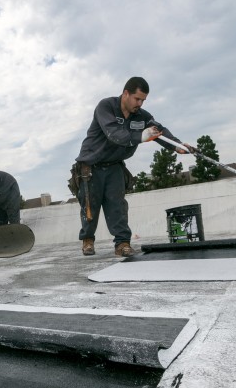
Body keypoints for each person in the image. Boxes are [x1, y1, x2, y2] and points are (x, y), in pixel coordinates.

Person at [74, 77, 194, 257]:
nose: (140, 103)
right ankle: (88, 239)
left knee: (118, 205)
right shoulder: (105, 107)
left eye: (143, 100)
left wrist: (178, 146)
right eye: (137, 99)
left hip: (115, 165)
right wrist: (141, 137)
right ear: (125, 94)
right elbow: (114, 135)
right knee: (90, 205)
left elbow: (159, 131)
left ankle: (122, 243)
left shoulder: (141, 116)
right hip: (91, 166)